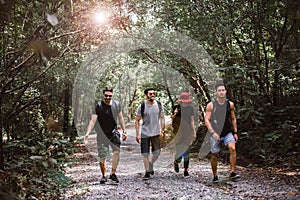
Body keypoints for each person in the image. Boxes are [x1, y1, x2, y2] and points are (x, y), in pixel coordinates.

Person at [84, 86, 127, 184]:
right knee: (103, 155)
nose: (108, 97)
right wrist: (87, 134)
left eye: (110, 96)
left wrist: (124, 131)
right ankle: (103, 175)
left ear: (112, 95)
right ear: (103, 94)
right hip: (102, 134)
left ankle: (113, 173)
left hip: (113, 132)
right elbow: (93, 120)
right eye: (106, 95)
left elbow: (120, 118)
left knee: (116, 152)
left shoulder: (116, 104)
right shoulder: (98, 106)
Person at [204, 81, 240, 183]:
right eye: (219, 90)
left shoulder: (230, 104)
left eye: (223, 90)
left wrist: (235, 132)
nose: (221, 92)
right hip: (215, 132)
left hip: (227, 132)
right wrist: (212, 132)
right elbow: (206, 120)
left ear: (226, 91)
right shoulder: (211, 105)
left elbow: (233, 119)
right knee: (214, 154)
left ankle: (232, 172)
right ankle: (215, 175)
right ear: (216, 92)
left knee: (232, 148)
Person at [135, 88, 165, 180]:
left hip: (156, 133)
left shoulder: (159, 105)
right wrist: (137, 134)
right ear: (146, 95)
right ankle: (147, 171)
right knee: (145, 153)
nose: (152, 95)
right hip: (145, 133)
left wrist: (162, 130)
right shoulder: (142, 106)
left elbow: (162, 118)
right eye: (150, 94)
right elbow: (137, 120)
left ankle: (151, 163)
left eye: (153, 93)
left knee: (157, 153)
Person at [170, 92, 197, 177]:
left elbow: (192, 121)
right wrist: (175, 113)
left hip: (187, 132)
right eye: (183, 100)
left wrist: (194, 132)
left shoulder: (190, 109)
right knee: (179, 149)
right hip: (178, 131)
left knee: (187, 151)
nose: (184, 102)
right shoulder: (176, 107)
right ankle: (176, 162)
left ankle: (186, 169)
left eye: (186, 100)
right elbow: (172, 119)